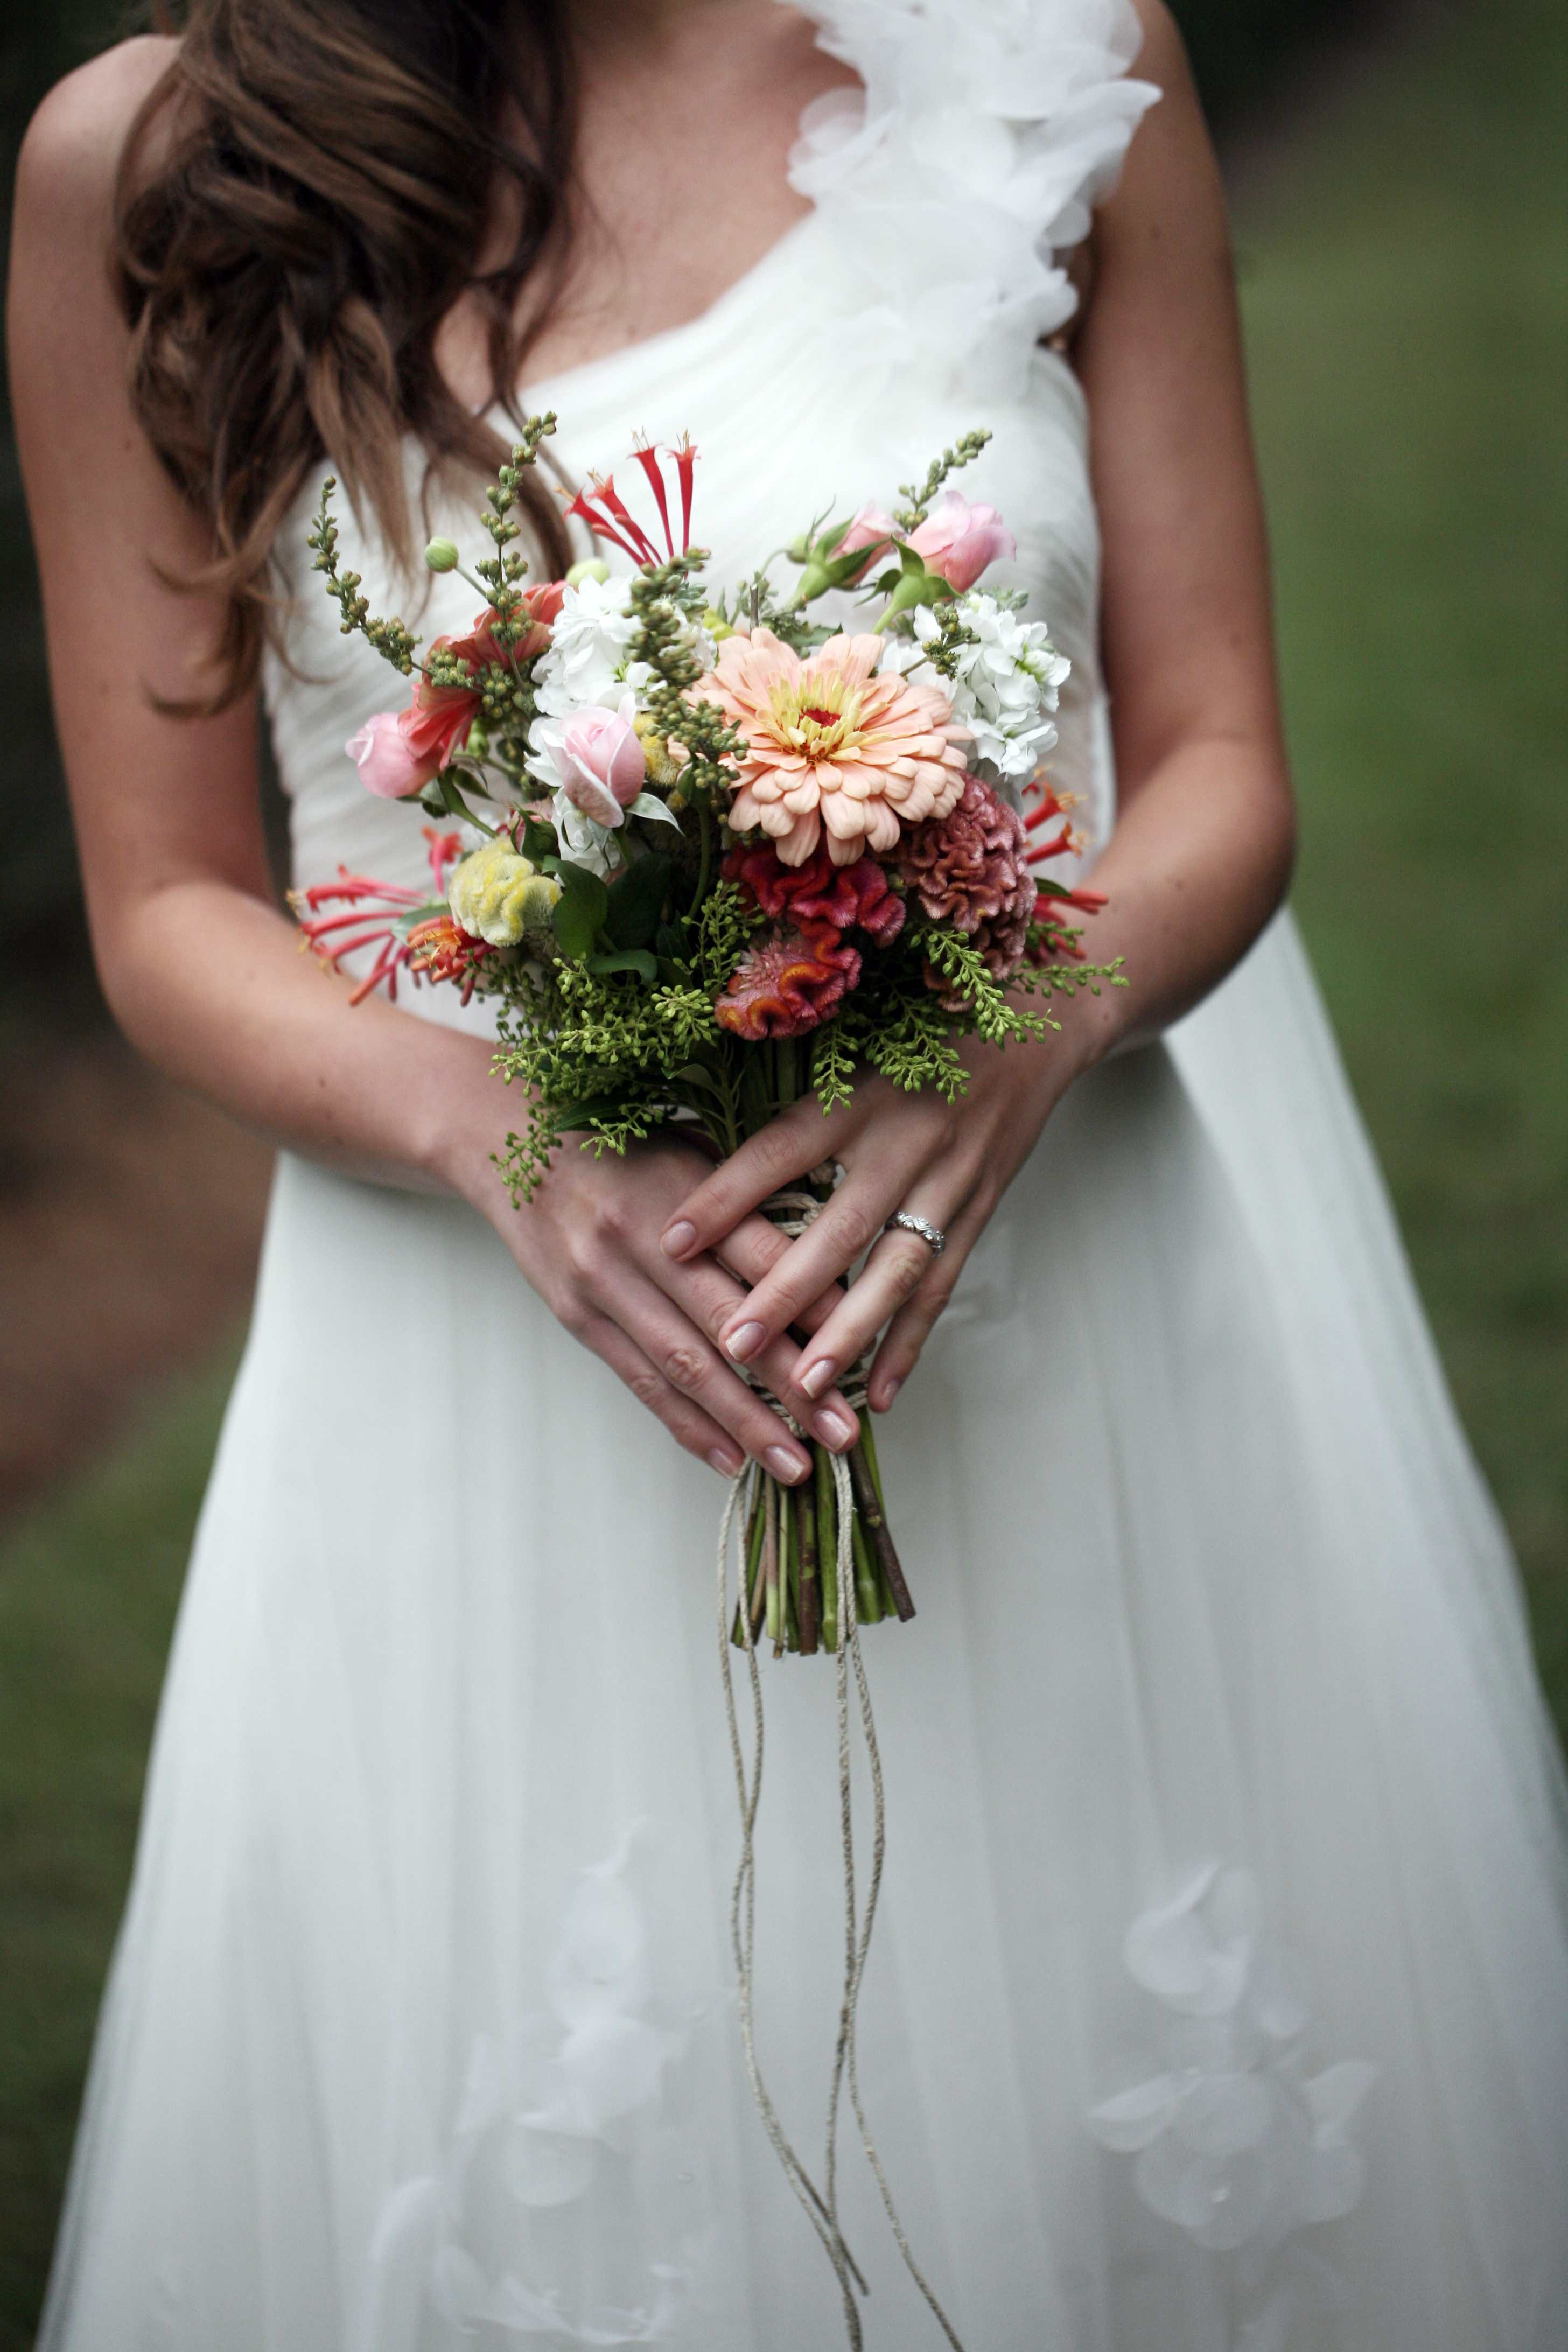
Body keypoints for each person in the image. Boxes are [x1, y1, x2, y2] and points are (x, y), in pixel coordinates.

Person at [11, 0, 1568, 2344]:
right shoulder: (155, 156)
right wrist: (494, 1135)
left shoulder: (1050, 52)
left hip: (1052, 1342)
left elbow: (1219, 754)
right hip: (491, 1374)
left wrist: (1030, 1012)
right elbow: (165, 911)